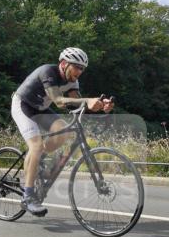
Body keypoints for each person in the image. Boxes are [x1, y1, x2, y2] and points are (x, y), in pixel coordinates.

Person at [11, 47, 114, 216]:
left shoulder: (73, 80)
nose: (80, 72)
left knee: (64, 132)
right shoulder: (48, 72)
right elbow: (59, 101)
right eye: (77, 67)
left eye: (82, 69)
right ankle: (28, 197)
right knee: (35, 146)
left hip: (40, 109)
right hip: (22, 105)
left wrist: (101, 106)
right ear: (64, 64)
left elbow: (77, 102)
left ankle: (36, 162)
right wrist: (87, 100)